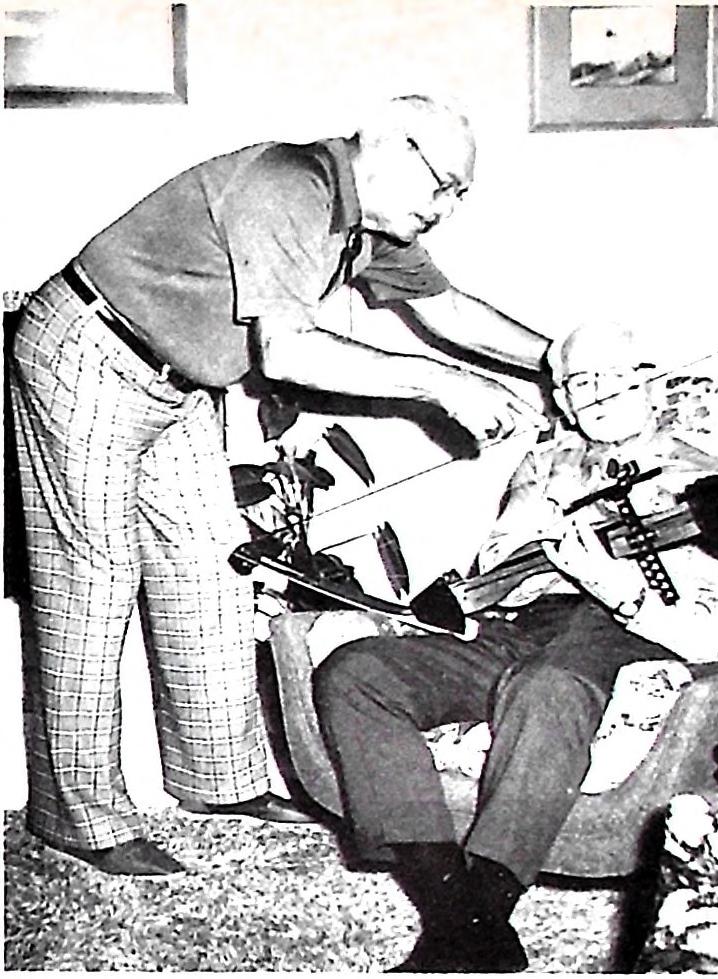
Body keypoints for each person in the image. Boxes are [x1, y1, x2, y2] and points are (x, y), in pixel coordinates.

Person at [8, 94, 550, 877]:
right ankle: (77, 814)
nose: (447, 207)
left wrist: (561, 360)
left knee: (211, 563)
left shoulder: (370, 224)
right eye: (441, 184)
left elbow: (450, 310)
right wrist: (442, 384)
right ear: (387, 143)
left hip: (179, 378)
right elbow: (288, 353)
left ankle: (219, 781)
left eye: (460, 194)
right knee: (94, 574)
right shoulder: (290, 185)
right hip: (91, 350)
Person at [311, 327, 718, 972]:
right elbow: (496, 563)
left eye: (616, 376)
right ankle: (460, 920)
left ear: (653, 381)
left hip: (629, 632)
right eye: (581, 382)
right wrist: (528, 549)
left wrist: (618, 587)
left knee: (549, 687)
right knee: (355, 672)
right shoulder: (546, 463)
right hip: (523, 624)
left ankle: (476, 916)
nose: (599, 393)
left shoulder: (712, 483)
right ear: (564, 398)